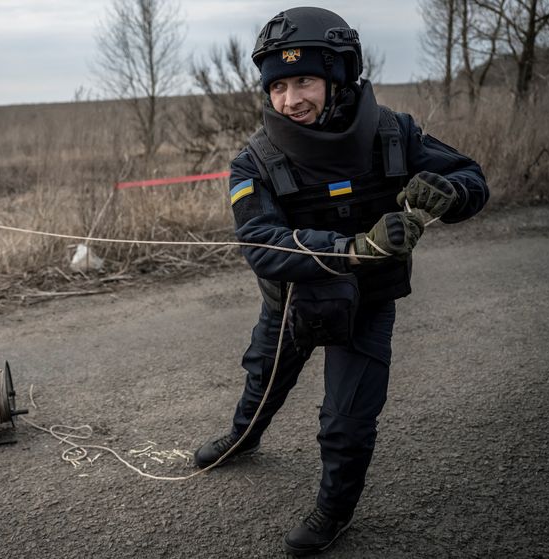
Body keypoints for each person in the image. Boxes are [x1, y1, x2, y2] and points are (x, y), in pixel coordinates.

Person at [193, 6, 489, 557]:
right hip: (293, 302)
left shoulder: (393, 133)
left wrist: (452, 195)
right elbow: (261, 246)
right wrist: (352, 249)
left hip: (369, 304)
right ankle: (244, 436)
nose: (291, 100)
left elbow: (471, 176)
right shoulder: (253, 162)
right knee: (264, 377)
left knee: (347, 420)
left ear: (339, 76)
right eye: (277, 86)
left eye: (304, 80)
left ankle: (334, 511)